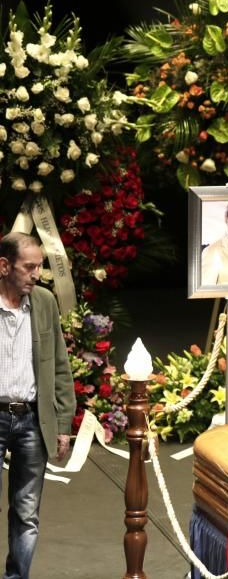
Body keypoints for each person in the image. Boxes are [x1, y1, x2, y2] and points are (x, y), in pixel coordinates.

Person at [0, 232, 75, 578]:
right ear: (4, 266)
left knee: (26, 513)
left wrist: (63, 425)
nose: (37, 274)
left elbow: (60, 365)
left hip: (31, 419)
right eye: (29, 267)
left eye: (40, 266)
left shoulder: (43, 302)